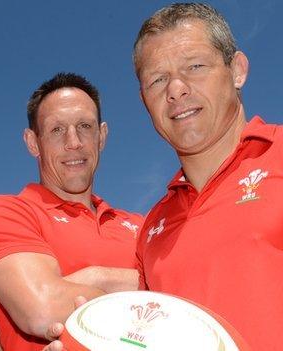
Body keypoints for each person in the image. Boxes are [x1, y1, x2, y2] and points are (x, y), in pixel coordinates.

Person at [133, 3, 283, 350]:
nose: (176, 89)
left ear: (237, 70)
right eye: (157, 79)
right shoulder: (151, 229)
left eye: (195, 66)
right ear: (144, 100)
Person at [0, 73, 144, 350]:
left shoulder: (142, 226)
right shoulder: (8, 213)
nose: (73, 141)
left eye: (85, 126)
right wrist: (146, 287)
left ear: (101, 136)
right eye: (56, 130)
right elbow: (42, 308)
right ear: (32, 142)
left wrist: (93, 279)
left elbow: (192, 290)